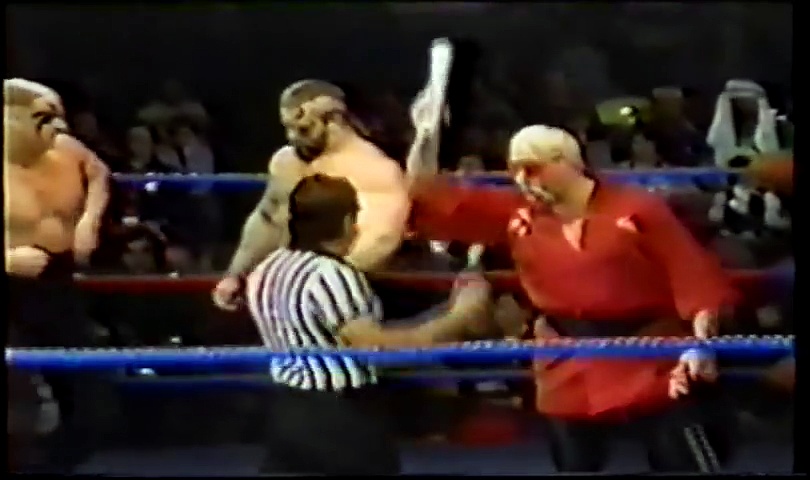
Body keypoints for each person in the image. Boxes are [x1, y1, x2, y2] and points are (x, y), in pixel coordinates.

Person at [400, 124, 740, 472]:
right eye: (515, 170)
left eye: (532, 169)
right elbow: (427, 199)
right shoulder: (518, 212)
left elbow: (690, 271)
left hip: (649, 352)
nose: (521, 180)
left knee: (680, 457)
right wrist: (424, 137)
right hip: (566, 359)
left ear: (567, 163)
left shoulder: (636, 208)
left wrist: (702, 343)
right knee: (574, 463)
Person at [244, 174, 495, 475]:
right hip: (340, 419)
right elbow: (378, 349)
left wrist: (446, 311)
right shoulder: (331, 275)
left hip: (287, 409)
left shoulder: (268, 268)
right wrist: (459, 317)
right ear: (347, 221)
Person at [213, 80, 411, 310]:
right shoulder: (286, 162)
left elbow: (381, 239)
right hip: (287, 289)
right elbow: (268, 218)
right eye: (287, 127)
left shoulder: (373, 169)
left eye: (304, 129)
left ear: (334, 120)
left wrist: (328, 285)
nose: (292, 136)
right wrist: (236, 273)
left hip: (347, 293)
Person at [4, 78, 112, 471]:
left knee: (89, 391)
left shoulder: (65, 149)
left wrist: (89, 221)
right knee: (21, 398)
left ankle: (56, 466)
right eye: (45, 118)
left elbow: (98, 173)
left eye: (60, 116)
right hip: (9, 285)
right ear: (10, 118)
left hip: (56, 280)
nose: (60, 127)